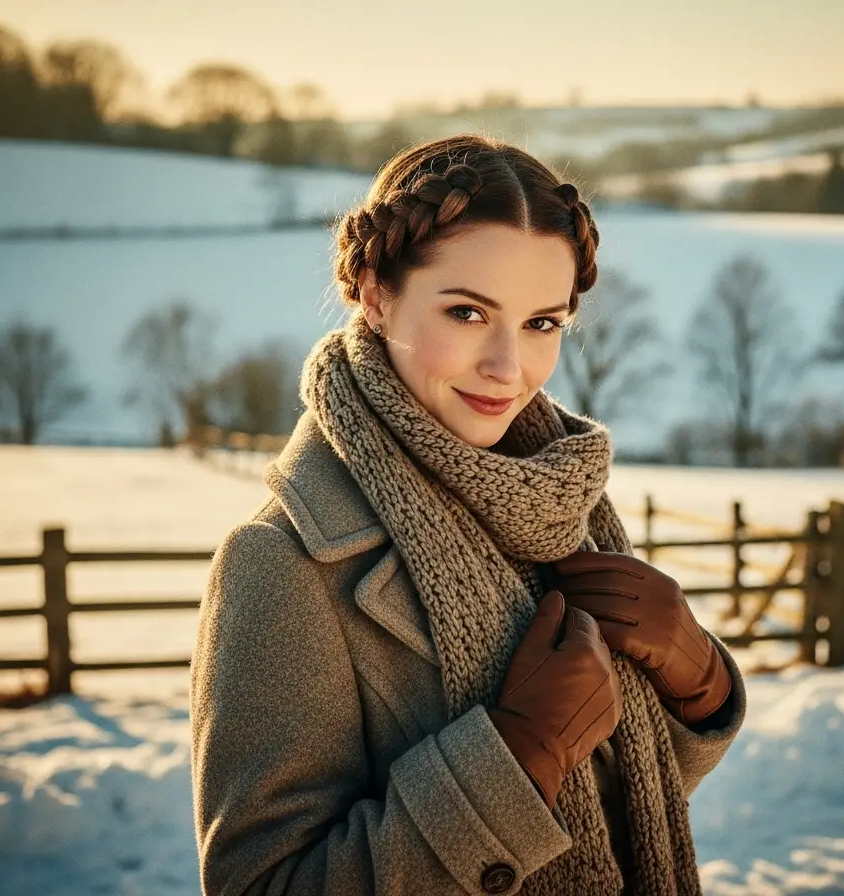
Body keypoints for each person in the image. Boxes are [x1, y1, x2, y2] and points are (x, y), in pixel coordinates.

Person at [190, 133, 747, 896]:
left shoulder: (559, 502)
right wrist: (518, 758)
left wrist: (697, 678)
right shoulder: (282, 563)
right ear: (375, 296)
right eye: (466, 312)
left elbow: (621, 807)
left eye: (542, 324)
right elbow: (261, 884)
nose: (506, 368)